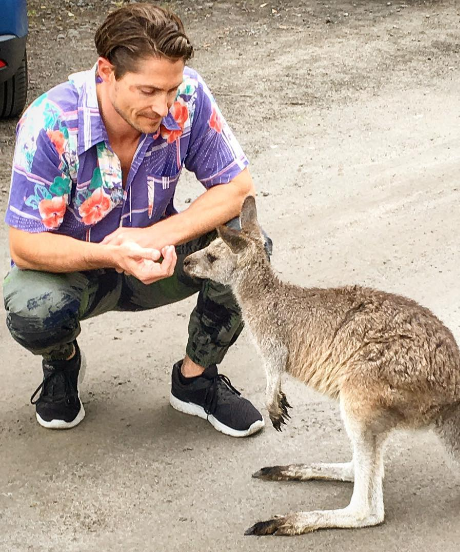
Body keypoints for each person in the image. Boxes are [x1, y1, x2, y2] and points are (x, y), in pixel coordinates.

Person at [3, 3, 269, 438]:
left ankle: (195, 380)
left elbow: (238, 189)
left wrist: (153, 236)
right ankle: (63, 362)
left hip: (158, 260)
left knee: (250, 250)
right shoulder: (50, 122)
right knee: (33, 311)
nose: (164, 106)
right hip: (79, 272)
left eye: (171, 89)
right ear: (106, 71)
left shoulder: (188, 97)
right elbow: (25, 246)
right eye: (148, 91)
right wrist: (111, 254)